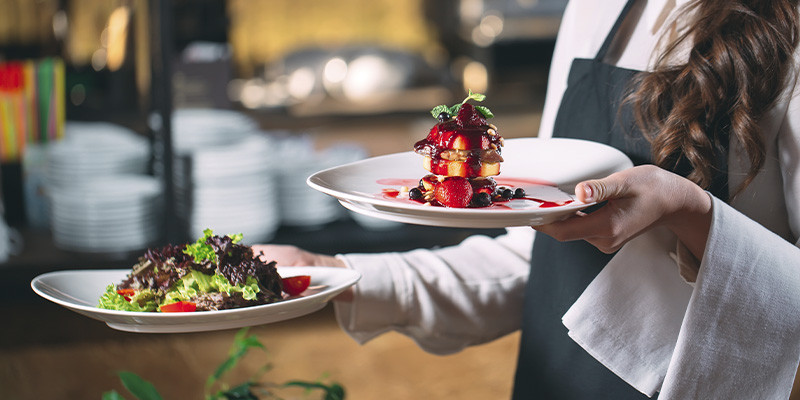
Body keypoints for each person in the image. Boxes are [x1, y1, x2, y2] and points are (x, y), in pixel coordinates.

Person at [254, 0, 800, 398]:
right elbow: (536, 262)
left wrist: (690, 211)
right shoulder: (597, 10)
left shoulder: (788, 34)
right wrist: (333, 274)